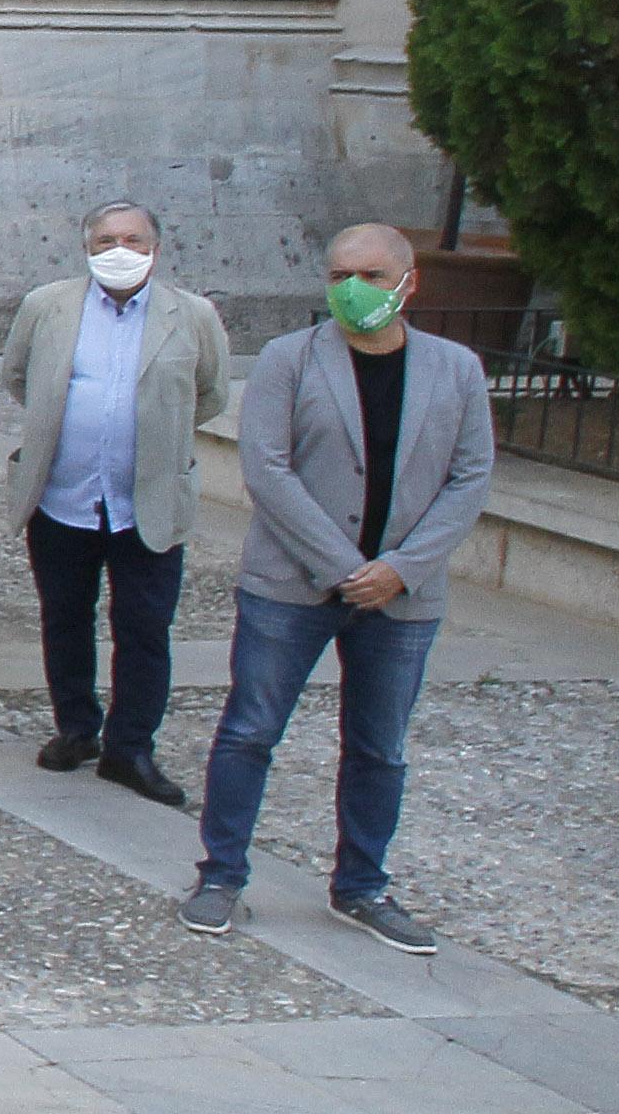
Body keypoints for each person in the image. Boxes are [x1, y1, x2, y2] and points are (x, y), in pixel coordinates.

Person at [183, 224, 496, 955]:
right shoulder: (290, 361)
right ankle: (220, 874)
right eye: (338, 274)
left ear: (408, 283)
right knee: (249, 730)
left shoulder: (455, 369)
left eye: (372, 275)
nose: (354, 288)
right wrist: (343, 566)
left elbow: (469, 477)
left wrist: (401, 568)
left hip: (402, 597)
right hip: (292, 586)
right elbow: (266, 468)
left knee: (378, 745)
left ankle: (361, 885)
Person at [2, 201, 233, 806]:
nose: (119, 248)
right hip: (63, 499)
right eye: (106, 238)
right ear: (86, 244)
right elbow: (18, 376)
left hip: (148, 502)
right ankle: (76, 728)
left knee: (145, 628)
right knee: (65, 618)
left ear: (156, 248)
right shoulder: (46, 306)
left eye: (133, 238)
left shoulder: (193, 315)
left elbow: (208, 393)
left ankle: (131, 747)